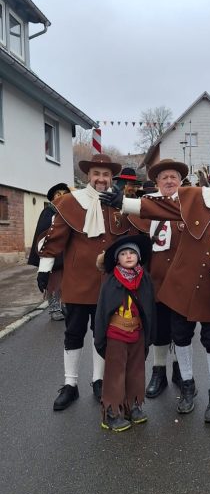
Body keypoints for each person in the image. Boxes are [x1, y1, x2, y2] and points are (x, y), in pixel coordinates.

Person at [101, 160, 210, 422]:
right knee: (181, 335)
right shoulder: (195, 197)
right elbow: (160, 207)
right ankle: (187, 386)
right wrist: (124, 203)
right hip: (180, 284)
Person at [37, 153, 132, 411]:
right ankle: (70, 384)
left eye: (106, 175)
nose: (101, 179)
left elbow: (132, 238)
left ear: (111, 178)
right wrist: (44, 270)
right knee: (74, 333)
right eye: (96, 174)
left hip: (109, 284)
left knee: (103, 334)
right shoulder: (71, 202)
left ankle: (99, 381)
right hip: (78, 283)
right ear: (88, 176)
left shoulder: (119, 204)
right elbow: (55, 238)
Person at [127, 158, 188, 397]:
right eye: (164, 178)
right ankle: (158, 371)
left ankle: (181, 371)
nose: (169, 181)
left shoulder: (190, 205)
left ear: (180, 181)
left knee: (182, 329)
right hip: (156, 279)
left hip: (182, 279)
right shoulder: (146, 206)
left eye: (173, 177)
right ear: (157, 182)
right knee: (159, 328)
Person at [94, 234, 155, 432]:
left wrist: (149, 334)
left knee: (136, 371)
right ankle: (112, 412)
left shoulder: (144, 279)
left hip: (137, 333)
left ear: (138, 256)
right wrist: (100, 337)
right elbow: (103, 310)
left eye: (132, 253)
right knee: (115, 374)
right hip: (116, 334)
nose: (128, 256)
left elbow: (149, 308)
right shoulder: (111, 281)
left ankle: (132, 405)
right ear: (117, 259)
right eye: (123, 254)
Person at [28, 182, 70, 321]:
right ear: (53, 197)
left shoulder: (70, 212)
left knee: (65, 282)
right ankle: (54, 309)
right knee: (53, 283)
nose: (62, 196)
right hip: (51, 254)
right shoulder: (48, 212)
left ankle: (63, 305)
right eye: (58, 194)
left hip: (67, 253)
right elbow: (42, 234)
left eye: (65, 194)